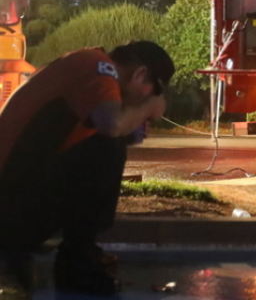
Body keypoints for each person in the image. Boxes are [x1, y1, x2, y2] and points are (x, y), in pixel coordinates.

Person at [0, 40, 175, 295]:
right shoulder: (97, 66)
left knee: (109, 143)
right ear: (140, 74)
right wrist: (148, 107)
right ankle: (77, 258)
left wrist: (136, 120)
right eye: (152, 90)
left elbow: (122, 130)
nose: (148, 98)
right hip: (10, 206)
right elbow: (112, 125)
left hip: (15, 200)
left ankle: (80, 251)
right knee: (107, 147)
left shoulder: (87, 69)